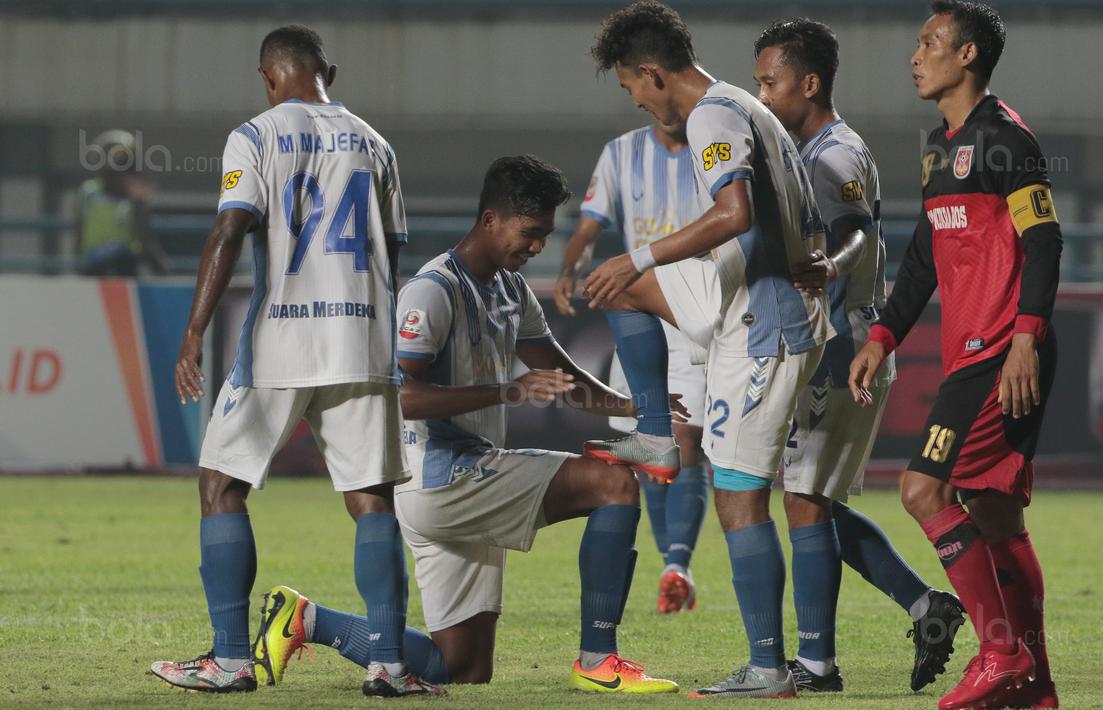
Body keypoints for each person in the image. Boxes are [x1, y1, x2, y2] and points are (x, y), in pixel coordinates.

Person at [253, 156, 682, 694]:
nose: (536, 247)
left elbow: (559, 375)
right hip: (441, 478)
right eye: (529, 233)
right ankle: (599, 660)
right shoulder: (432, 291)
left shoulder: (510, 289)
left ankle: (305, 619)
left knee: (461, 669)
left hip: (464, 480)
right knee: (614, 483)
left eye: (545, 235)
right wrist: (509, 391)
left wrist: (636, 407)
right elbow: (402, 397)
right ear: (490, 220)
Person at [150, 25, 432, 697]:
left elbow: (229, 227)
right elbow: (390, 255)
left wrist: (193, 331)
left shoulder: (255, 135)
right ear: (327, 70)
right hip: (363, 339)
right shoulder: (376, 144)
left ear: (267, 77)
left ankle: (230, 659)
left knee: (221, 485)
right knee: (372, 500)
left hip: (280, 340)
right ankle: (389, 665)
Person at [588, 1, 831, 698]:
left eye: (629, 86)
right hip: (744, 297)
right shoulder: (737, 105)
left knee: (738, 499)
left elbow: (735, 214)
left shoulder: (712, 116)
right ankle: (658, 436)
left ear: (650, 72)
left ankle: (767, 669)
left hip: (764, 326)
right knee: (625, 285)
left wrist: (643, 249)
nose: (634, 101)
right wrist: (639, 264)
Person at [849, 2, 1062, 708]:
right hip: (973, 352)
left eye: (930, 43)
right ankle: (1033, 686)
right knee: (996, 518)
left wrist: (1025, 337)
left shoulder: (1005, 140)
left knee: (922, 491)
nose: (915, 56)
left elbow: (1042, 239)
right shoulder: (942, 146)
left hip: (1001, 350)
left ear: (966, 55)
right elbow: (921, 256)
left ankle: (999, 651)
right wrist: (882, 335)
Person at [753, 18, 966, 694]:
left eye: (769, 81)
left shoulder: (830, 155)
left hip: (840, 346)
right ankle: (922, 603)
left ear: (808, 83)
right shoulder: (812, 148)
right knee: (811, 498)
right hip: (840, 343)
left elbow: (853, 234)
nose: (760, 96)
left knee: (804, 499)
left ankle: (815, 665)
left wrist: (825, 264)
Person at [554, 117, 709, 615]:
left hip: (697, 312)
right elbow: (589, 225)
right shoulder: (621, 152)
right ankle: (673, 564)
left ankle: (678, 562)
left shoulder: (714, 146)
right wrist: (569, 267)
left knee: (685, 439)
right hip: (638, 313)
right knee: (648, 447)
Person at [76, 130, 171, 276]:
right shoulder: (88, 192)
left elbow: (143, 236)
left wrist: (160, 266)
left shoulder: (135, 199)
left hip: (124, 265)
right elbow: (79, 230)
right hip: (94, 263)